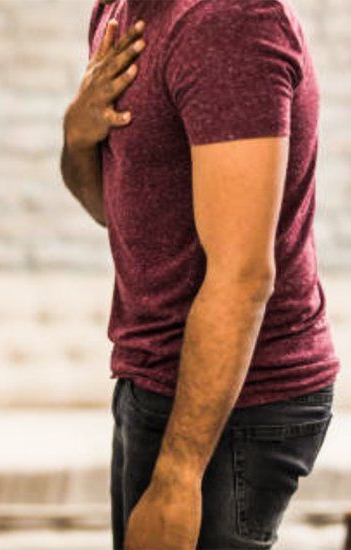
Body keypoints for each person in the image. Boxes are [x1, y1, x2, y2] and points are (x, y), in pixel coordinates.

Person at [61, 0, 338, 548]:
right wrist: (76, 135)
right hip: (153, 378)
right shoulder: (120, 11)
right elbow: (113, 209)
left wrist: (178, 476)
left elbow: (241, 276)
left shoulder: (228, 20)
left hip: (236, 403)